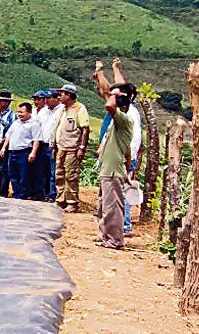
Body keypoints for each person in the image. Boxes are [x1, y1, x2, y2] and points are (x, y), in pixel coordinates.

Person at [93, 60, 142, 235]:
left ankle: (124, 226)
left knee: (120, 195)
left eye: (117, 95)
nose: (111, 96)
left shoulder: (129, 115)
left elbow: (133, 143)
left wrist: (129, 163)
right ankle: (109, 230)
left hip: (120, 161)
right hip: (112, 160)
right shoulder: (120, 113)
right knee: (108, 197)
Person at [97, 83, 135, 249]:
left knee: (112, 207)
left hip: (112, 171)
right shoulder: (118, 123)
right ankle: (105, 236)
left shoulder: (124, 119)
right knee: (106, 206)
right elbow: (127, 152)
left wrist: (113, 94)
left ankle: (115, 240)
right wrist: (127, 169)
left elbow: (109, 105)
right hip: (110, 169)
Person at [54, 84, 91, 213]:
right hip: (61, 147)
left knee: (71, 175)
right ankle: (60, 200)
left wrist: (81, 147)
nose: (59, 96)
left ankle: (72, 202)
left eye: (62, 94)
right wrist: (54, 145)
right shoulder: (63, 110)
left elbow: (85, 129)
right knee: (59, 174)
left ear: (69, 95)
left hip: (72, 147)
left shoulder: (79, 109)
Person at [2, 102, 41, 200]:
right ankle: (16, 193)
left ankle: (23, 195)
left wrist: (33, 153)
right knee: (12, 174)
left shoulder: (34, 124)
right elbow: (8, 135)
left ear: (29, 113)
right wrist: (4, 147)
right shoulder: (16, 122)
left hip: (24, 152)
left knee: (24, 175)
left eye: (22, 112)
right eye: (18, 112)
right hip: (12, 152)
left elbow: (36, 139)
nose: (19, 114)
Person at [39, 90, 65, 202]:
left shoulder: (62, 110)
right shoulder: (43, 111)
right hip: (41, 144)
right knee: (42, 171)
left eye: (48, 98)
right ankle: (43, 193)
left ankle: (52, 194)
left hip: (53, 145)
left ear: (56, 98)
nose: (46, 101)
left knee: (53, 171)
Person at [29, 90, 54, 201]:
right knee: (36, 170)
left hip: (44, 143)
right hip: (33, 143)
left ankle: (47, 193)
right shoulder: (33, 111)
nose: (36, 101)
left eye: (38, 99)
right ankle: (37, 192)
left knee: (47, 171)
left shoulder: (47, 111)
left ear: (44, 100)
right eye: (35, 99)